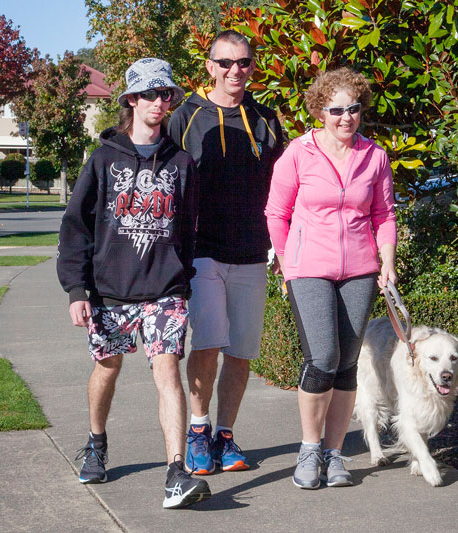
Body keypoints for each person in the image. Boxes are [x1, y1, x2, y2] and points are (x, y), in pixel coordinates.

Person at [57, 58, 210, 509]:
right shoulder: (103, 159)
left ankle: (176, 473)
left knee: (168, 371)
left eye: (166, 95)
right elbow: (75, 228)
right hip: (110, 291)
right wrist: (77, 290)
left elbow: (188, 227)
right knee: (108, 368)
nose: (160, 103)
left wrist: (183, 279)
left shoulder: (181, 163)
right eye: (150, 94)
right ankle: (97, 442)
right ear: (131, 100)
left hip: (165, 290)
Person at [265, 67, 398, 489]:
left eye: (354, 109)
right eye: (337, 109)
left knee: (345, 364)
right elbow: (276, 213)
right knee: (322, 358)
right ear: (320, 110)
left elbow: (385, 215)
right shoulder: (299, 153)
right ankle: (308, 449)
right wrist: (287, 264)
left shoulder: (374, 156)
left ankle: (335, 453)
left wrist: (387, 260)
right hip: (308, 269)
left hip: (360, 270)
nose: (347, 117)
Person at [168, 30, 284, 475]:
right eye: (226, 62)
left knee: (241, 350)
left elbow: (283, 185)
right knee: (210, 342)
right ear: (210, 66)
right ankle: (198, 431)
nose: (236, 71)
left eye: (244, 62)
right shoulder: (185, 117)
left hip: (253, 251)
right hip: (202, 253)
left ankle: (226, 436)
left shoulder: (266, 119)